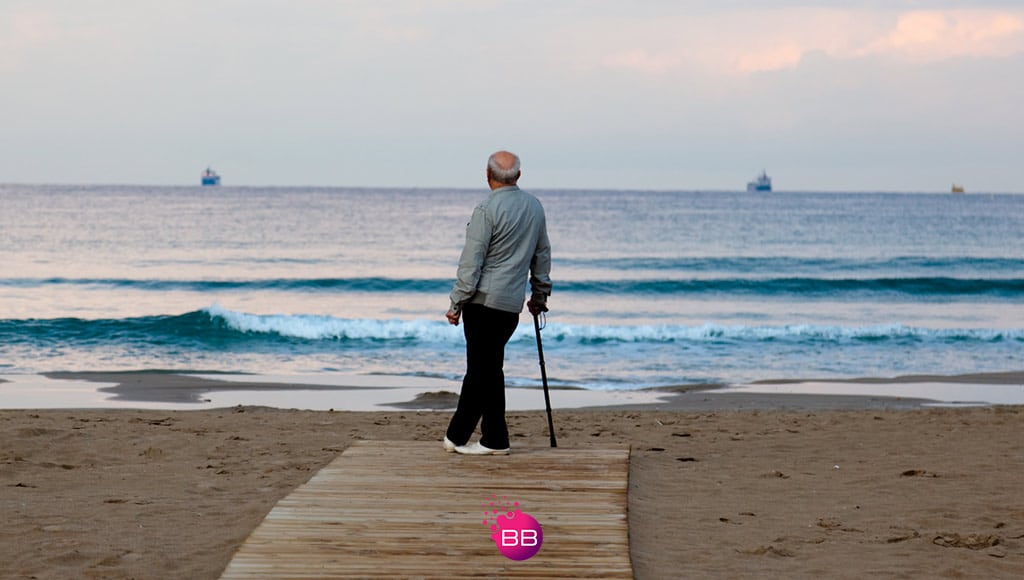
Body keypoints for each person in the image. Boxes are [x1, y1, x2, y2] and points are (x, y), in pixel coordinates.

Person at [443, 150, 552, 455]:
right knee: (489, 369)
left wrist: (456, 303)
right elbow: (541, 255)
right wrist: (539, 295)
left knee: (481, 371)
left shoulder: (486, 209)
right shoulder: (534, 207)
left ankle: (482, 438)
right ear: (518, 175)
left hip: (483, 303)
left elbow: (471, 263)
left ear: (487, 176)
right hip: (510, 307)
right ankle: (472, 436)